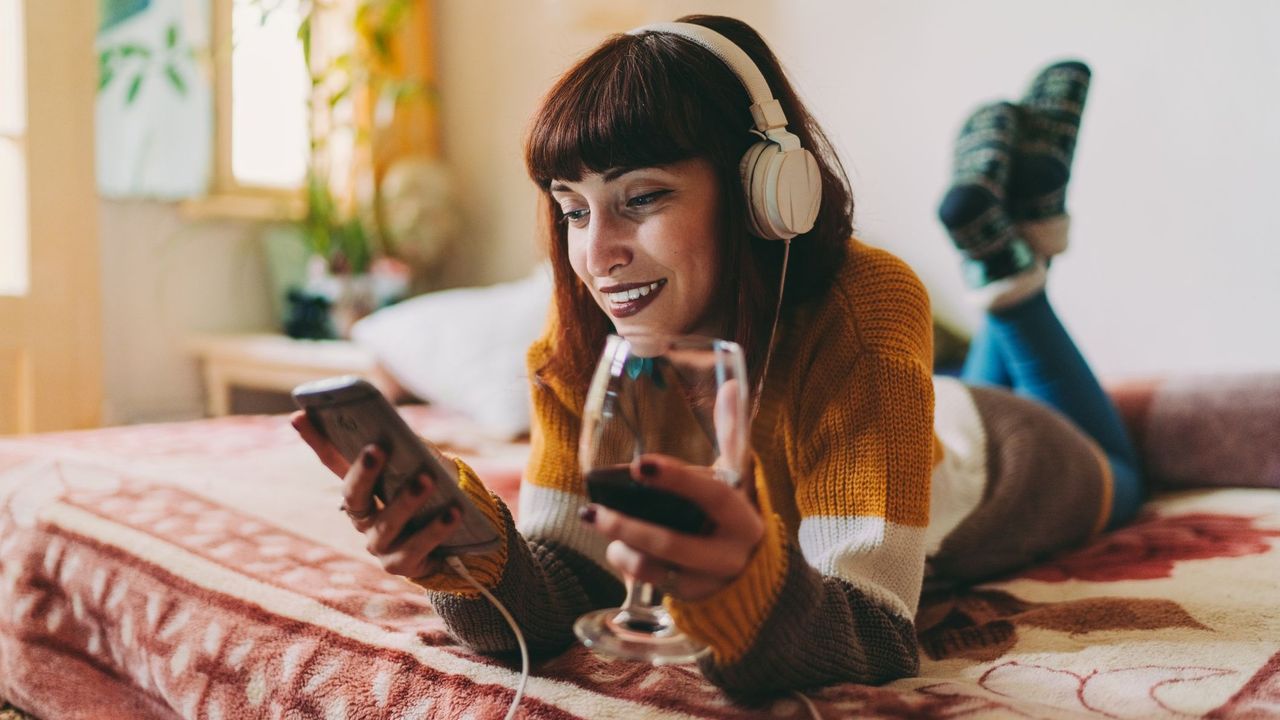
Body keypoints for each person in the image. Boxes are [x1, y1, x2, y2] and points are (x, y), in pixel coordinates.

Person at [293, 15, 1142, 698]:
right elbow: (566, 584)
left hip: (1008, 457)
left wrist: (736, 584)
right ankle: (1016, 238)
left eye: (643, 198)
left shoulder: (868, 303)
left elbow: (877, 636)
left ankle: (1012, 277)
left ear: (760, 193)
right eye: (574, 210)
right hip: (921, 403)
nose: (597, 256)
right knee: (981, 361)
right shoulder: (577, 344)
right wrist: (468, 552)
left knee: (1124, 467)